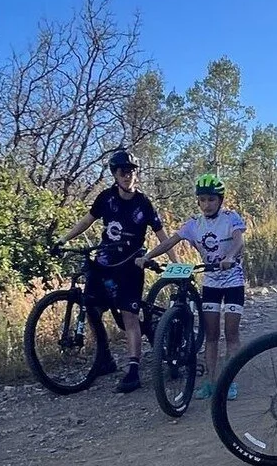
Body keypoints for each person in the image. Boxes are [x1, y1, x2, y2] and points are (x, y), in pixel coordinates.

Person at [55, 147, 170, 393]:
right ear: (114, 174)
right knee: (93, 309)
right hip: (104, 262)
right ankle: (105, 359)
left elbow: (162, 235)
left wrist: (175, 262)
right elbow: (87, 221)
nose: (127, 176)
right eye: (122, 172)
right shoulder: (105, 198)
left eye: (131, 172)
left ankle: (133, 370)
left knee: (129, 317)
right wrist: (63, 241)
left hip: (130, 264)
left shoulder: (144, 203)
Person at [139, 173, 246, 400]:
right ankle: (210, 382)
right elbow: (169, 242)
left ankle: (230, 381)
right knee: (212, 335)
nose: (206, 204)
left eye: (211, 199)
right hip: (211, 282)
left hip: (233, 280)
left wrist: (230, 256)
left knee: (231, 333)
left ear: (220, 200)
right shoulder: (193, 224)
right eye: (202, 200)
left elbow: (239, 241)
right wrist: (147, 257)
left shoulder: (230, 218)